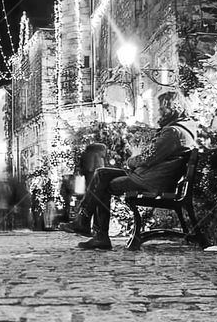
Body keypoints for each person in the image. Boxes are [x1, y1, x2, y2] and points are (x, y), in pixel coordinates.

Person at [61, 91, 198, 250]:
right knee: (102, 173)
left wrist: (131, 161)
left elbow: (148, 157)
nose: (159, 111)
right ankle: (85, 223)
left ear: (171, 107)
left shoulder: (172, 132)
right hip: (154, 176)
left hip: (151, 180)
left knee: (102, 184)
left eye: (161, 108)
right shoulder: (185, 128)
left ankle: (95, 232)